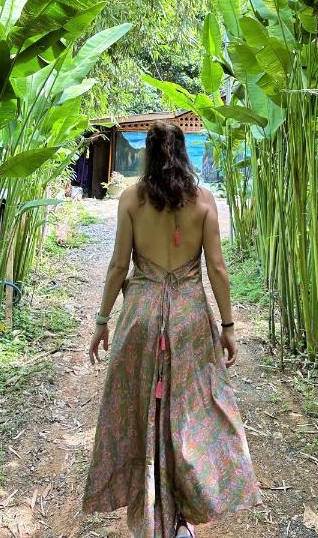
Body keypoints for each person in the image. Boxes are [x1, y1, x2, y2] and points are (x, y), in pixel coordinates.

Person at [82, 120, 263, 537]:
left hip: (142, 318)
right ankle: (182, 517)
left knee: (141, 410)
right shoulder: (203, 201)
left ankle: (149, 511)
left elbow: (117, 266)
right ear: (183, 153)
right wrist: (229, 326)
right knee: (190, 414)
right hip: (190, 320)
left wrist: (103, 320)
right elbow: (216, 268)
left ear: (147, 154)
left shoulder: (131, 199)